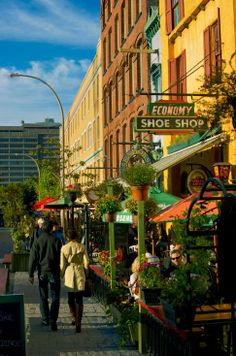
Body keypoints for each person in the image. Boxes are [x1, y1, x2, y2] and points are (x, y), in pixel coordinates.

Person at [28, 219, 62, 331]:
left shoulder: (37, 242)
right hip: (54, 271)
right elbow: (60, 258)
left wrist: (31, 274)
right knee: (55, 296)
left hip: (42, 271)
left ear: (42, 228)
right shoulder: (56, 240)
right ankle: (53, 319)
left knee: (43, 296)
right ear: (51, 228)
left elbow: (32, 258)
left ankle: (45, 318)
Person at [60, 229, 89, 333]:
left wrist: (61, 274)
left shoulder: (64, 248)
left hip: (69, 272)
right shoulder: (82, 247)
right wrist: (87, 274)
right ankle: (78, 322)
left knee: (70, 298)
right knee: (79, 299)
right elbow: (86, 263)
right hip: (80, 271)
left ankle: (73, 316)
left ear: (67, 237)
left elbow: (62, 265)